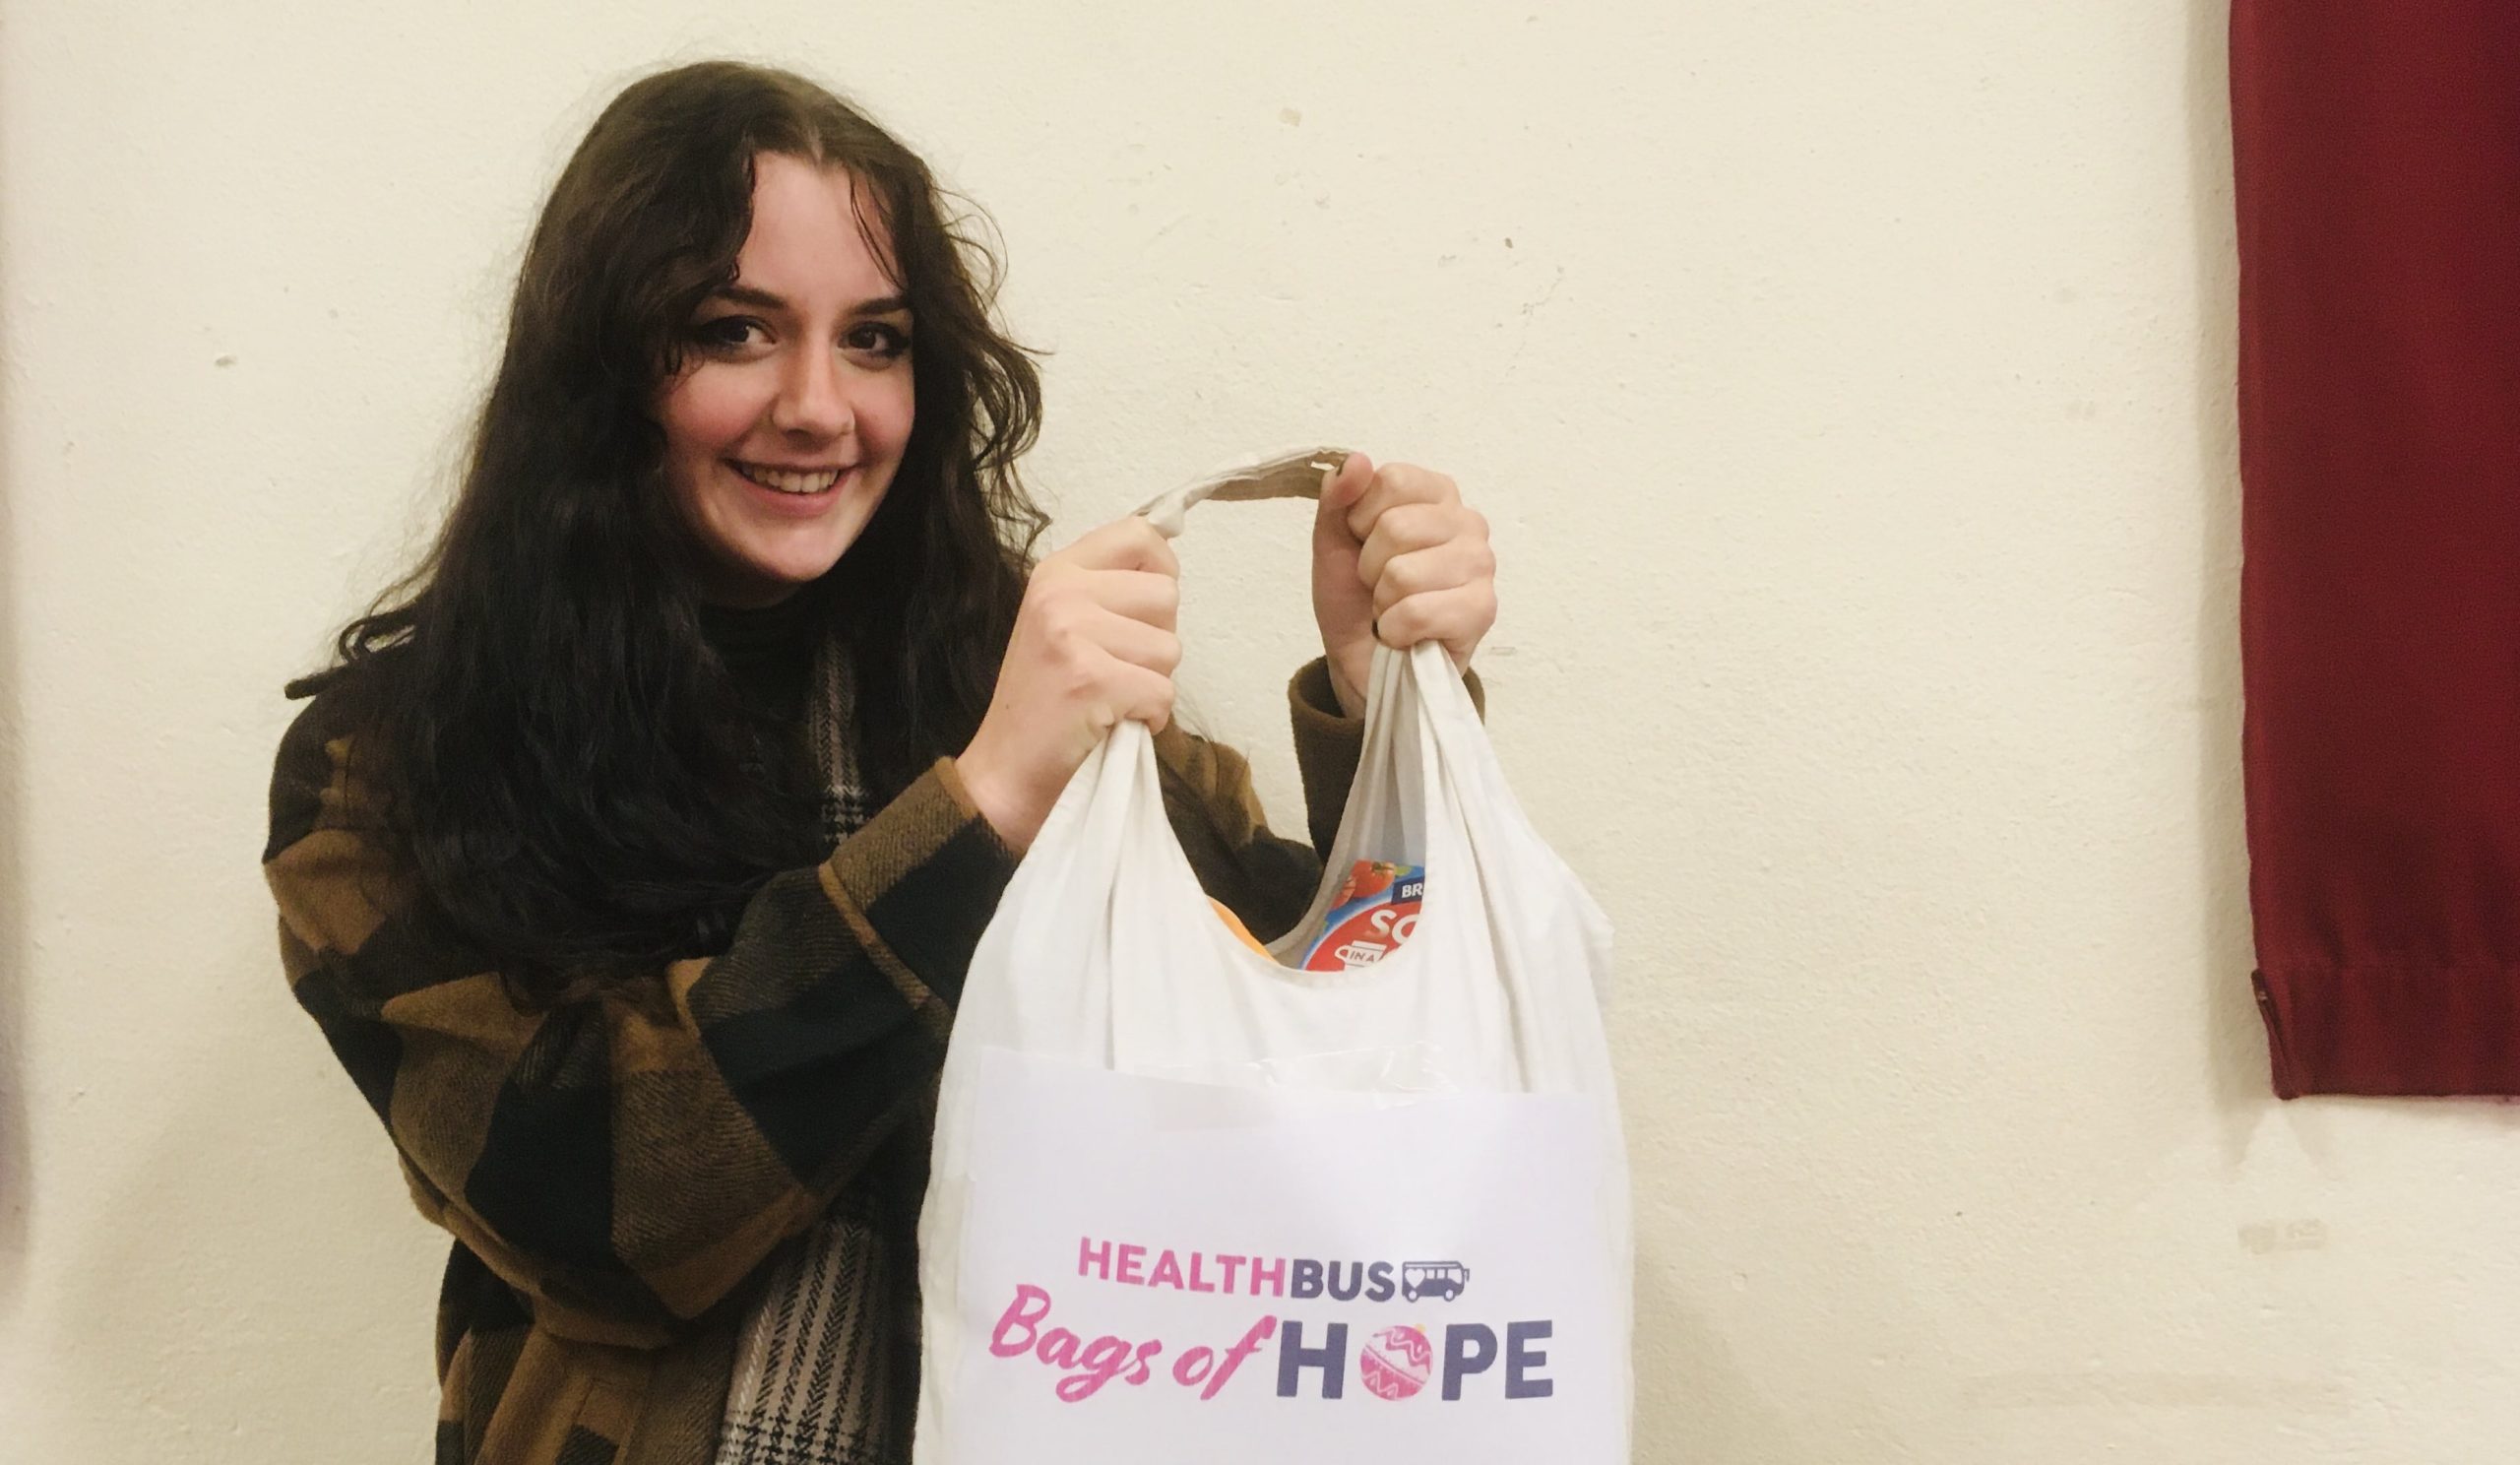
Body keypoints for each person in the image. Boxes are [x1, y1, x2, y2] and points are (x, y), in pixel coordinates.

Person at [264, 60, 1497, 1465]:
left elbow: (1321, 1048)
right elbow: (594, 1210)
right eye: (734, 330)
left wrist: (1381, 698)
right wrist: (977, 815)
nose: (819, 407)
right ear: (597, 368)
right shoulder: (391, 762)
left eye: (876, 339)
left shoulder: (1019, 682)